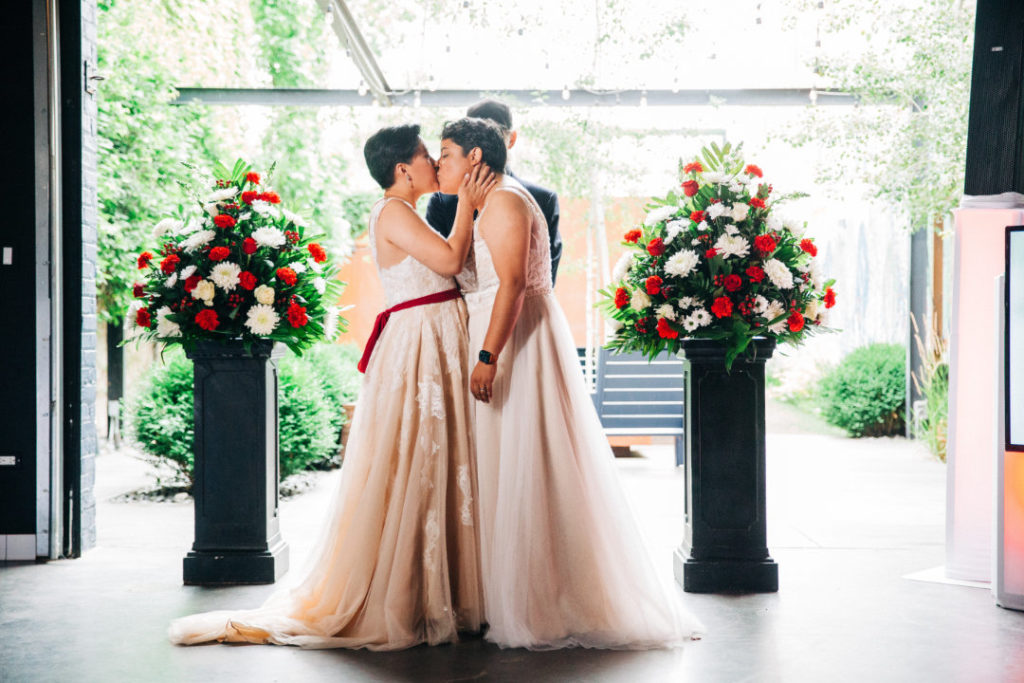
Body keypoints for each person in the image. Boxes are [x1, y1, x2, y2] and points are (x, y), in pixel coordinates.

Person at [168, 124, 495, 650]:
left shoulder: (406, 212)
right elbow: (450, 262)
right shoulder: (392, 211)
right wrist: (468, 206)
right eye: (424, 156)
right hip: (418, 349)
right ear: (402, 170)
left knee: (435, 463)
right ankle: (411, 593)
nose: (435, 161)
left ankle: (445, 589)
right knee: (414, 461)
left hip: (433, 341)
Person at [435, 117, 704, 650]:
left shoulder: (507, 201)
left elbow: (512, 284)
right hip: (508, 335)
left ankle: (541, 600)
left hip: (516, 344)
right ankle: (509, 592)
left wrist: (487, 356)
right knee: (509, 466)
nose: (438, 163)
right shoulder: (492, 200)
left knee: (528, 464)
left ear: (473, 159)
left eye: (444, 153)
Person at [426, 99, 563, 286]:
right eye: (474, 133)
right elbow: (437, 274)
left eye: (493, 133)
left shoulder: (543, 199)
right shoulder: (441, 201)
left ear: (511, 139)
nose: (485, 141)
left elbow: (545, 279)